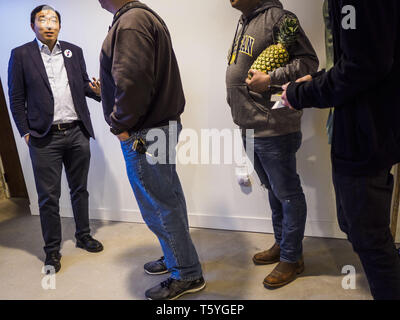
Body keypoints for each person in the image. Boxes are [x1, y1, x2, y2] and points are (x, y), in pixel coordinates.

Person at [281, 0, 400, 300]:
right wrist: (318, 79)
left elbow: (363, 65)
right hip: (368, 125)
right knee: (356, 225)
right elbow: (361, 58)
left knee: (367, 236)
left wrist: (302, 93)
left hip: (367, 130)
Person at [98, 0, 205, 300]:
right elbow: (137, 79)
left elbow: (132, 82)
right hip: (158, 127)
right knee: (168, 198)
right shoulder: (139, 17)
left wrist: (119, 125)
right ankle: (177, 257)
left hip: (144, 132)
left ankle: (186, 272)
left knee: (159, 204)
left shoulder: (131, 21)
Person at [226, 0, 318, 288]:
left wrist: (272, 79)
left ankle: (292, 258)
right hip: (249, 123)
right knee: (274, 191)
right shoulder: (246, 21)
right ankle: (282, 244)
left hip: (273, 124)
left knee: (288, 193)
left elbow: (308, 62)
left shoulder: (279, 18)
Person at [8, 5, 103, 273]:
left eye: (53, 20)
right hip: (44, 137)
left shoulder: (74, 51)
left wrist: (97, 91)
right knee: (48, 197)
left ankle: (84, 236)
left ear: (60, 25)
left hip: (76, 132)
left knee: (79, 189)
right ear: (32, 26)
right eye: (42, 19)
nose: (48, 24)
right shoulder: (21, 55)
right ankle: (52, 251)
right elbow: (16, 99)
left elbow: (83, 84)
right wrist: (26, 132)